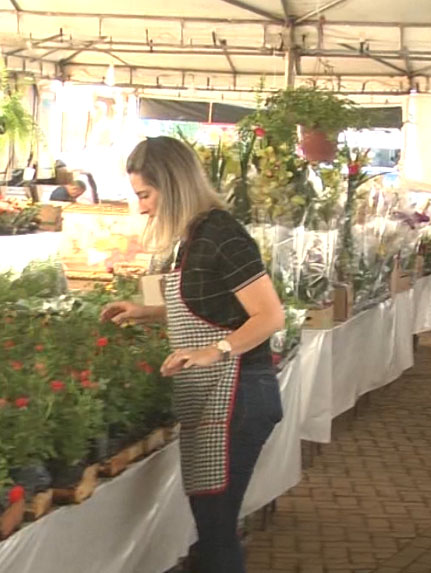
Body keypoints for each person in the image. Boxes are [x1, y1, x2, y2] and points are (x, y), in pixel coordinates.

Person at [99, 136, 284, 573]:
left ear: (174, 184)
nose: (142, 207)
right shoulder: (196, 235)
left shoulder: (222, 234)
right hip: (218, 397)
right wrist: (148, 312)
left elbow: (270, 315)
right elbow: (215, 305)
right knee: (212, 521)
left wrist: (214, 351)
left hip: (238, 395)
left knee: (217, 528)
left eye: (145, 194)